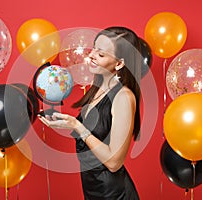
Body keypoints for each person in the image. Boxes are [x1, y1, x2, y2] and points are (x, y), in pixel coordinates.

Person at [38, 26, 141, 200]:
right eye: (94, 48)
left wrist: (77, 126)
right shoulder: (98, 88)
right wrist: (64, 122)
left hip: (114, 194)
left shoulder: (123, 97)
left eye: (101, 54)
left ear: (119, 63)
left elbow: (114, 163)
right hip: (94, 190)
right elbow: (93, 137)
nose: (91, 55)